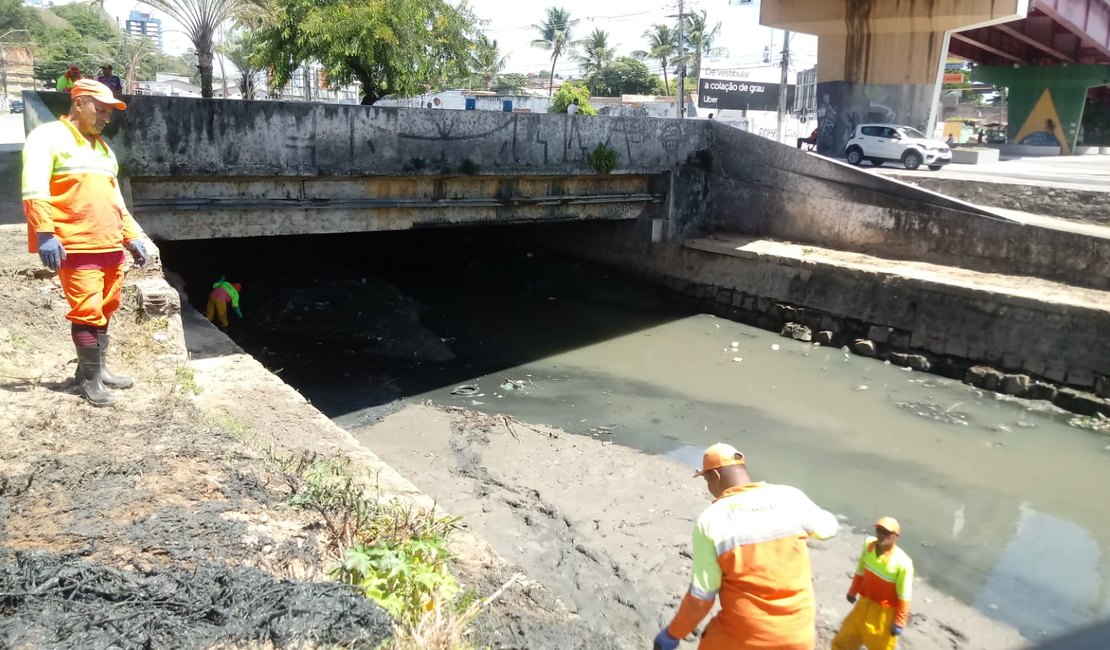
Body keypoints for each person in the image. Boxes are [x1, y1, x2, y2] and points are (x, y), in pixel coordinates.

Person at [22, 79, 149, 407]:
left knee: (105, 307)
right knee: (87, 311)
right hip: (76, 246)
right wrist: (45, 234)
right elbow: (35, 190)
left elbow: (115, 200)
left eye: (109, 112)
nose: (106, 117)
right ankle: (90, 382)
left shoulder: (103, 149)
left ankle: (97, 369)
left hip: (109, 246)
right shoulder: (48, 138)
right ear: (79, 103)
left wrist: (132, 236)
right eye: (101, 109)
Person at [655, 443, 839, 650]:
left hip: (744, 637)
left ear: (715, 476)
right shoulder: (790, 497)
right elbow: (828, 529)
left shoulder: (711, 520)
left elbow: (701, 598)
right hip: (798, 635)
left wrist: (672, 634)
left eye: (706, 479)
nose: (708, 486)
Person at [831, 517, 914, 650]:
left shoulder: (903, 563)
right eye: (879, 530)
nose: (881, 535)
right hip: (863, 603)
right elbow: (861, 570)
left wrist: (899, 622)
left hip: (883, 613)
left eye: (886, 533)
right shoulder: (869, 545)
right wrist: (853, 591)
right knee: (844, 639)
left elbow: (904, 597)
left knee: (880, 646)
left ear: (896, 536)